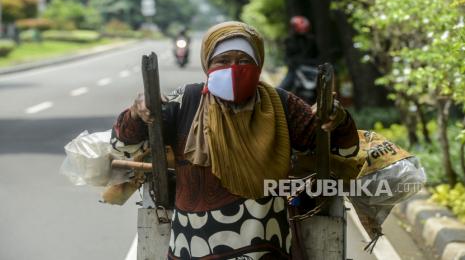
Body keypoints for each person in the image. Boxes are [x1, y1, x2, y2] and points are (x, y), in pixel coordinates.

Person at [112, 21, 359, 259]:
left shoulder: (282, 105)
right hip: (193, 249)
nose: (234, 68)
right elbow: (123, 146)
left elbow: (343, 151)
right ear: (208, 64)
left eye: (244, 61)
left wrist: (338, 119)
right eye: (223, 61)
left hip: (265, 250)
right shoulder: (185, 101)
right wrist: (136, 112)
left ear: (258, 64)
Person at [279, 16, 319, 95]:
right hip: (295, 70)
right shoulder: (288, 40)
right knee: (281, 90)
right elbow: (287, 58)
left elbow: (317, 56)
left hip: (311, 69)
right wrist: (292, 63)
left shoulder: (311, 40)